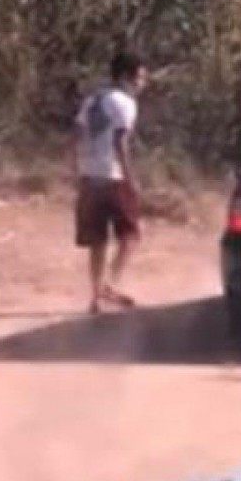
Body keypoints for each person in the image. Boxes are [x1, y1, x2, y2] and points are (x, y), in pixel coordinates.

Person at [74, 51, 148, 314]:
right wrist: (130, 177)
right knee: (131, 234)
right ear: (127, 77)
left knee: (97, 240)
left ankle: (96, 294)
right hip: (112, 175)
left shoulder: (93, 99)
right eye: (140, 77)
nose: (142, 83)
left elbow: (77, 135)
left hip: (89, 174)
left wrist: (77, 169)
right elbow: (120, 142)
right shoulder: (124, 103)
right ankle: (110, 284)